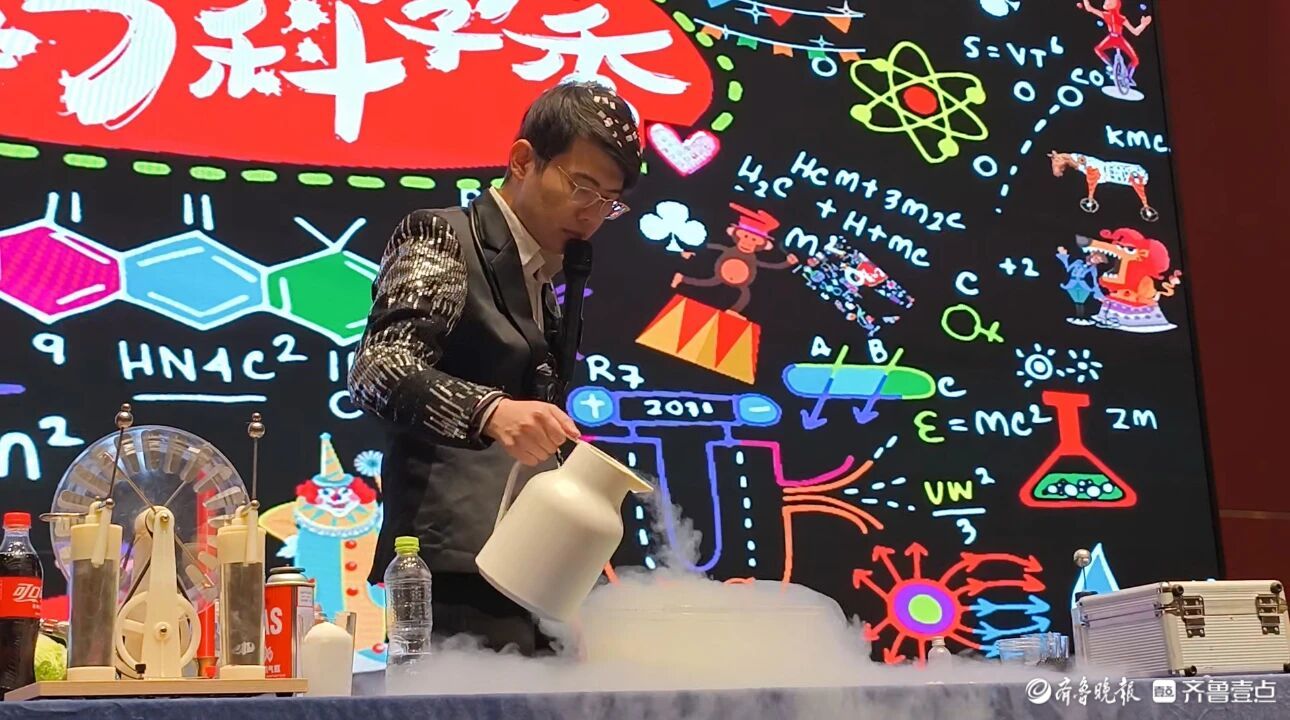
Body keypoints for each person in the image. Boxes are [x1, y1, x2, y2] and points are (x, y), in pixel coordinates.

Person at [347, 80, 641, 656]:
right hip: (455, 566)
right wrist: (489, 411)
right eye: (581, 187)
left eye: (608, 202)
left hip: (533, 567)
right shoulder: (443, 235)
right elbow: (378, 368)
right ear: (523, 160)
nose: (591, 214)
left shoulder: (542, 276)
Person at [1079, 0, 1152, 80]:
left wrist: (1143, 25)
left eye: (1109, 1)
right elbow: (1089, 8)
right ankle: (1112, 66)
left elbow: (1135, 32)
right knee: (1098, 49)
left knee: (1135, 60)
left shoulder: (1121, 18)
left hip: (1119, 39)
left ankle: (1128, 76)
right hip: (1111, 38)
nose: (1106, 2)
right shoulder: (1106, 15)